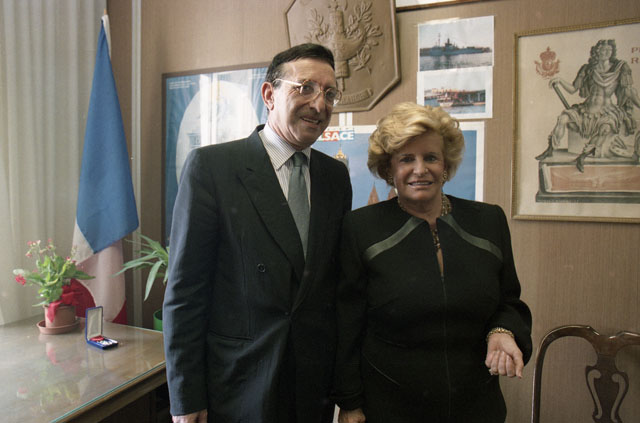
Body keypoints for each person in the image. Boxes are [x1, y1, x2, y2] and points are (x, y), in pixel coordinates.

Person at [163, 43, 352, 423]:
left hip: (310, 388)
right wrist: (185, 397)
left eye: (330, 94)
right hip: (238, 384)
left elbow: (334, 288)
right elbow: (185, 292)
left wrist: (346, 392)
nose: (319, 104)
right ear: (269, 94)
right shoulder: (213, 168)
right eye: (305, 88)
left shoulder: (335, 177)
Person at [333, 103, 532, 423]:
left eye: (430, 157)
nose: (420, 169)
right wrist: (350, 402)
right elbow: (347, 324)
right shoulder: (360, 228)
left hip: (477, 405)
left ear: (446, 164)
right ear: (389, 168)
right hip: (391, 407)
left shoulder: (488, 221)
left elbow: (509, 302)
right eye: (406, 159)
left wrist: (503, 331)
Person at [536, 39, 640, 170]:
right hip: (586, 109)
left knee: (605, 129)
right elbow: (573, 89)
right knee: (563, 118)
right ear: (597, 51)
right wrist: (560, 80)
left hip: (607, 111)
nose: (606, 52)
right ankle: (550, 149)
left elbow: (629, 91)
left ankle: (582, 156)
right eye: (603, 49)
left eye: (609, 50)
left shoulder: (620, 68)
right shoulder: (588, 69)